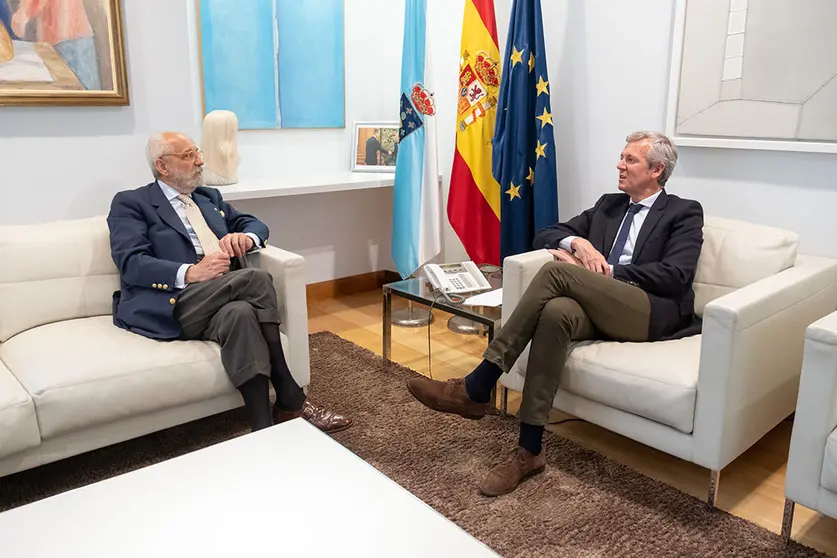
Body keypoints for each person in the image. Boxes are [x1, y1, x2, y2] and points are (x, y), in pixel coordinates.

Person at [406, 131, 703, 496]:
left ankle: (479, 383)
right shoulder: (609, 205)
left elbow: (675, 275)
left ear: (657, 169)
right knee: (556, 312)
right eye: (621, 156)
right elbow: (546, 233)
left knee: (557, 271)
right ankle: (529, 450)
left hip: (647, 311)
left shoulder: (683, 212)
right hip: (601, 305)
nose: (619, 165)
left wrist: (604, 269)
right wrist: (578, 243)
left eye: (630, 160)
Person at [107, 132, 351, 434]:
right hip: (176, 302)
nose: (200, 161)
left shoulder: (208, 198)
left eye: (197, 152)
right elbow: (131, 263)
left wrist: (245, 237)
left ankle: (263, 429)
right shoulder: (132, 203)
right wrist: (191, 272)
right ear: (162, 166)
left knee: (241, 315)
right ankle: (289, 392)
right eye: (188, 155)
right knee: (256, 279)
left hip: (225, 294)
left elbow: (254, 224)